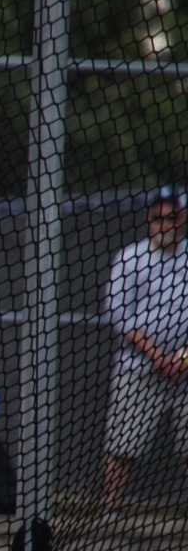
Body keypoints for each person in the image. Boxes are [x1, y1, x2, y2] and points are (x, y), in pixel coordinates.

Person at [102, 185, 188, 519]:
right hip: (137, 368)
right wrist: (156, 354)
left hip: (183, 370)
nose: (164, 224)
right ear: (148, 220)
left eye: (171, 217)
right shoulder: (129, 258)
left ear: (181, 219)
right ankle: (111, 506)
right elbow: (118, 315)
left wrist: (181, 358)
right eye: (157, 218)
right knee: (123, 443)